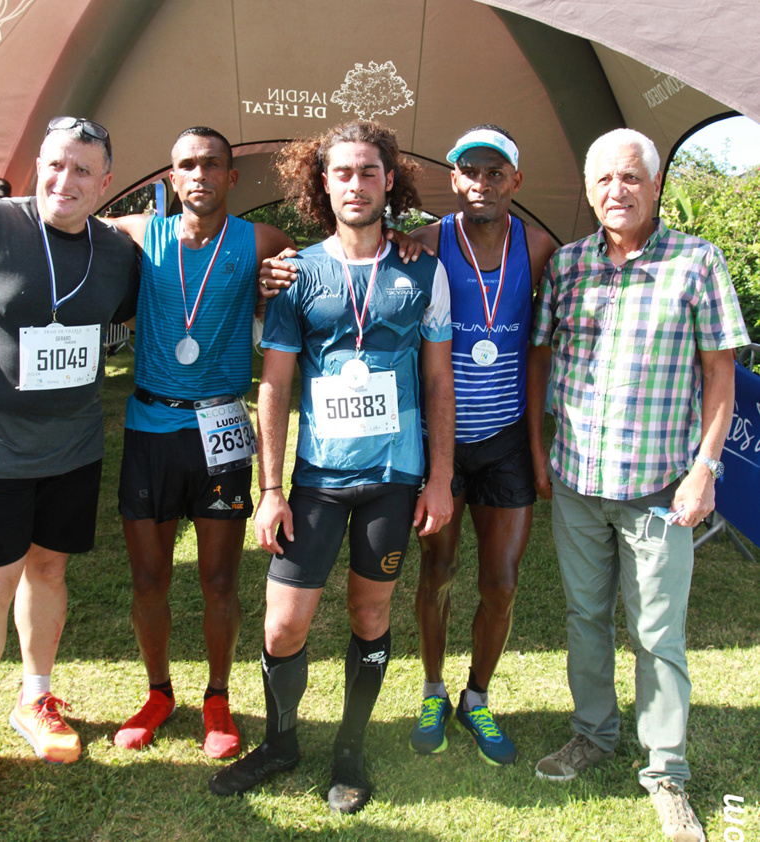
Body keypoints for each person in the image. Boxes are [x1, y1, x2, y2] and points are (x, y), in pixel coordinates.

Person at [209, 120, 455, 813]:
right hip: (317, 479)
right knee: (283, 623)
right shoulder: (297, 271)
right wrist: (269, 489)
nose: (355, 183)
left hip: (393, 479)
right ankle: (281, 742)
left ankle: (350, 746)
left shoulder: (421, 268)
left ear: (389, 181)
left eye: (368, 171)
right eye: (341, 172)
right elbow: (276, 385)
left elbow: (439, 382)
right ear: (323, 183)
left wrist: (439, 478)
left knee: (370, 612)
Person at [527, 128, 748, 842]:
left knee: (658, 634)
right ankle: (593, 734)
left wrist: (705, 469)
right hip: (579, 482)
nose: (616, 192)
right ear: (588, 191)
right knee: (585, 619)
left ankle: (667, 771)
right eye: (603, 182)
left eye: (630, 179)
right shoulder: (566, 266)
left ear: (655, 186)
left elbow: (721, 376)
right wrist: (539, 448)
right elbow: (541, 357)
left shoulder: (697, 262)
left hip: (661, 486)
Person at [0, 116, 140, 821]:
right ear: (36, 166)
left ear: (106, 182)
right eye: (54, 165)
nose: (64, 181)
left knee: (49, 569)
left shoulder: (115, 251)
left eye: (82, 170)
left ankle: (34, 697)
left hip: (74, 447)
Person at [107, 127, 295, 758]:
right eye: (187, 164)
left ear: (231, 177)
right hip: (151, 430)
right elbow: (62, 218)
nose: (200, 175)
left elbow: (319, 258)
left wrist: (403, 238)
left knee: (218, 580)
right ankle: (159, 692)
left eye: (212, 164)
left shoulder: (260, 241)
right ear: (171, 176)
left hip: (220, 430)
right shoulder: (140, 231)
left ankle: (218, 697)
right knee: (149, 578)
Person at [393, 125, 555, 764]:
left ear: (515, 180)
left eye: (496, 173)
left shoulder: (539, 247)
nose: (482, 184)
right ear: (454, 178)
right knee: (436, 572)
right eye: (470, 172)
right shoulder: (426, 243)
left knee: (503, 583)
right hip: (442, 445)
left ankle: (476, 696)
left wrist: (540, 447)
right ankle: (433, 687)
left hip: (506, 441)